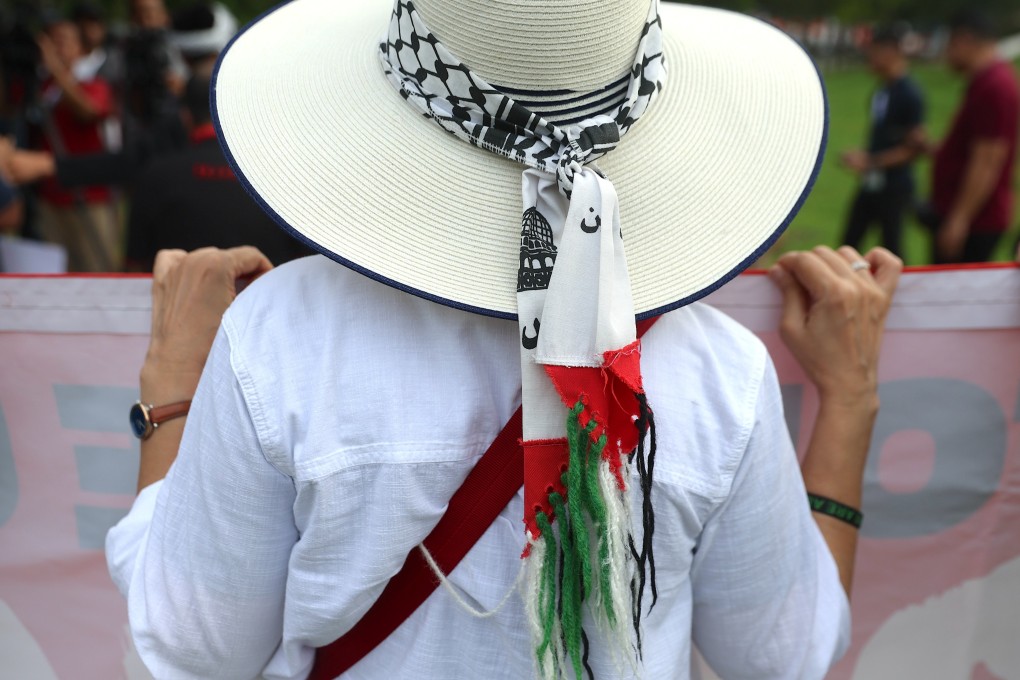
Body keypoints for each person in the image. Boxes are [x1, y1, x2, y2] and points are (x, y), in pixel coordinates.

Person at [106, 1, 902, 678]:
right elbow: (785, 654)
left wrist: (172, 392)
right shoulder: (719, 371)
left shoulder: (281, 341)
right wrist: (850, 403)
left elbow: (197, 650)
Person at [125, 74, 312, 270]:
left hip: (185, 298)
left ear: (186, 117)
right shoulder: (283, 178)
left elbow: (133, 267)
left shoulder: (156, 176)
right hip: (270, 297)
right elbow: (306, 261)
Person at [923, 10, 1019, 263]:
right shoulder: (985, 81)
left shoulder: (995, 86)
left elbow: (988, 159)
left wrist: (959, 220)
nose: (946, 55)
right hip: (969, 216)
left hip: (976, 222)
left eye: (949, 45)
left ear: (964, 40)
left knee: (951, 298)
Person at [31, 17, 121, 271]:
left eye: (63, 42)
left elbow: (89, 110)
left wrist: (56, 70)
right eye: (51, 41)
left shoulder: (95, 84)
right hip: (51, 198)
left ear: (81, 50)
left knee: (96, 270)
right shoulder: (41, 87)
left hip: (90, 198)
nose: (56, 49)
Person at [841, 23, 926, 258]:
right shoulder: (882, 90)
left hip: (895, 186)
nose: (869, 57)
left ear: (891, 51)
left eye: (874, 50)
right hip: (872, 182)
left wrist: (870, 162)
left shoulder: (910, 94)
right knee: (848, 244)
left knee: (892, 248)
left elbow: (912, 150)